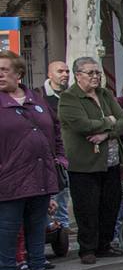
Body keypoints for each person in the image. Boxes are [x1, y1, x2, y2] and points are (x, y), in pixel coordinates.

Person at [0, 50, 64, 270]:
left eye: (4, 69)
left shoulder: (35, 98)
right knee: (8, 228)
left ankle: (37, 268)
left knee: (37, 225)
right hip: (9, 176)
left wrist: (60, 158)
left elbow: (55, 129)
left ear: (19, 74)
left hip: (40, 174)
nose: (0, 74)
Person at [59, 56, 123, 264]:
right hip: (85, 163)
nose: (96, 77)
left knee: (110, 204)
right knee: (87, 207)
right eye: (90, 73)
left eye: (97, 72)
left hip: (111, 160)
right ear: (78, 75)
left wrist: (106, 133)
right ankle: (87, 248)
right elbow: (82, 125)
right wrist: (108, 122)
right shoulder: (69, 98)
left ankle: (104, 244)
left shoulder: (105, 94)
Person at [41, 60, 71, 234]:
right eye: (60, 71)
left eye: (67, 71)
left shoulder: (72, 94)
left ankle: (63, 230)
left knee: (65, 194)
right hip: (54, 154)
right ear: (49, 74)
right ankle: (61, 231)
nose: (65, 74)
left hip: (72, 151)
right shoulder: (40, 96)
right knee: (58, 194)